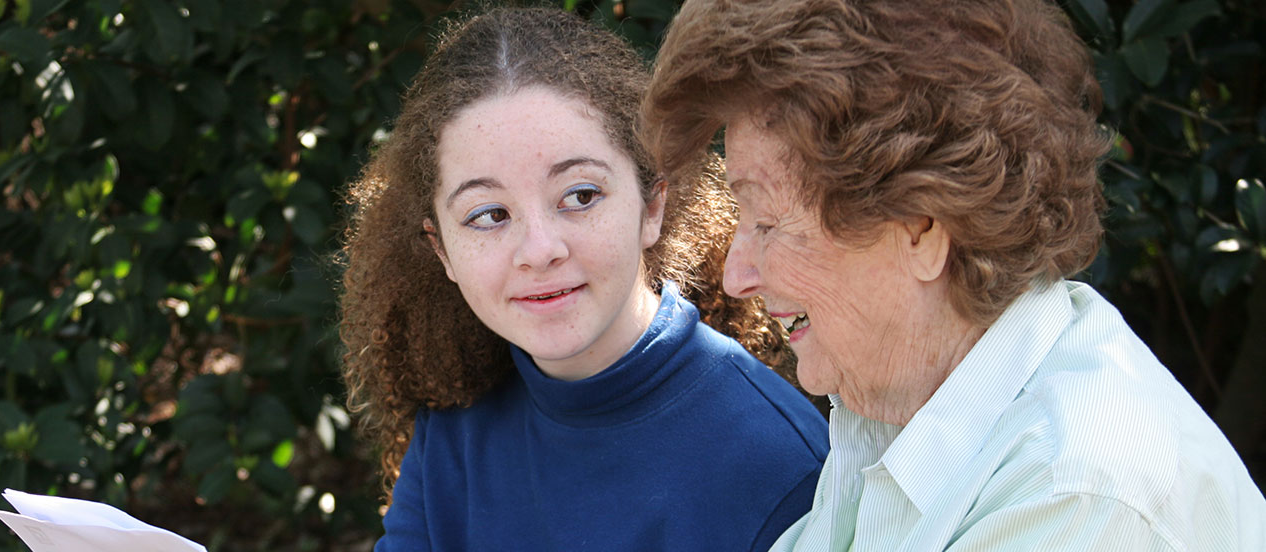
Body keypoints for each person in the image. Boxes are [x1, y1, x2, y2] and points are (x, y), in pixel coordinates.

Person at [642, 0, 1266, 550]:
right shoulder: (901, 398)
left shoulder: (1075, 496)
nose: (735, 276)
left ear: (921, 229)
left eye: (769, 223)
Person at [338, 7, 828, 551]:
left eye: (580, 196)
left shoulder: (776, 465)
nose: (540, 250)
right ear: (443, 251)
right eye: (489, 215)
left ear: (652, 206)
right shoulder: (454, 428)